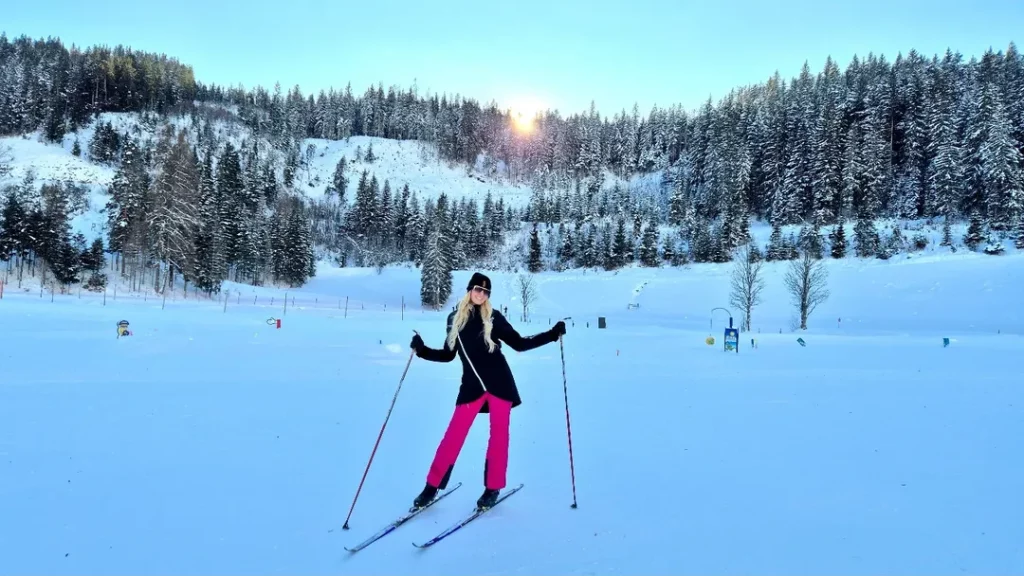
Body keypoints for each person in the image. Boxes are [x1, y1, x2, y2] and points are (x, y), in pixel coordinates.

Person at [409, 272, 566, 511]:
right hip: (471, 387)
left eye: (486, 291)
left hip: (500, 385)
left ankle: (493, 488)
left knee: (499, 437)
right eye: (477, 289)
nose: (481, 294)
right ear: (469, 290)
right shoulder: (454, 319)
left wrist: (552, 334)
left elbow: (519, 343)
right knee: (453, 436)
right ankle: (431, 486)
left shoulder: (493, 317)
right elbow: (448, 355)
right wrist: (422, 350)